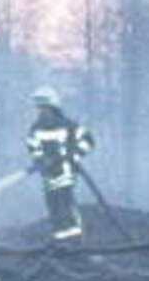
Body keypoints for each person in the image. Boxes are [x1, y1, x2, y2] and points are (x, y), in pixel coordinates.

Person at [24, 86, 96, 245]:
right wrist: (39, 161)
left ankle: (75, 240)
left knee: (66, 205)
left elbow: (88, 141)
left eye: (45, 109)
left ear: (54, 108)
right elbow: (33, 147)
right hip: (48, 177)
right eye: (40, 109)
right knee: (53, 208)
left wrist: (74, 156)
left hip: (65, 174)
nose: (42, 112)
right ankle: (59, 241)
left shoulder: (69, 126)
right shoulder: (36, 129)